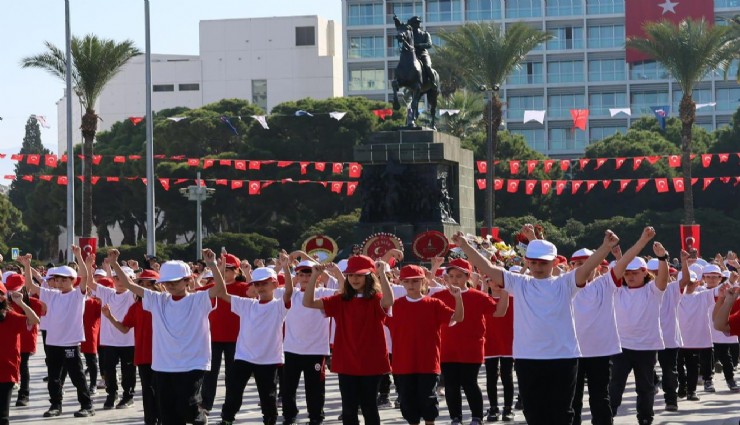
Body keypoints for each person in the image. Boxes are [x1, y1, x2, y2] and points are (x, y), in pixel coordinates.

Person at [453, 225, 618, 425]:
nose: (538, 268)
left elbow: (586, 268)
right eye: (533, 263)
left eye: (543, 263)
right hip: (528, 358)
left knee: (562, 414)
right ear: (526, 262)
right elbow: (487, 267)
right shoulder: (519, 283)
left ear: (555, 262)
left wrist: (605, 247)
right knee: (534, 414)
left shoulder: (565, 283)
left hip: (562, 358)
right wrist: (465, 246)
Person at [109, 248, 225, 425]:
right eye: (167, 282)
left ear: (188, 280)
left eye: (175, 281)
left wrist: (212, 265)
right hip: (164, 365)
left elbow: (220, 288)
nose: (170, 285)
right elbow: (131, 285)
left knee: (187, 406)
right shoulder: (158, 300)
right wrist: (115, 264)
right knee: (168, 413)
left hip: (192, 363)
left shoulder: (198, 299)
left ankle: (199, 416)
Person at [571, 227, 657, 425]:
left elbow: (626, 262)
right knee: (573, 399)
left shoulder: (605, 284)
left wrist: (642, 241)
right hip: (572, 351)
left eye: (587, 263)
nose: (582, 267)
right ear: (571, 266)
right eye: (577, 264)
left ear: (595, 266)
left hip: (599, 352)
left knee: (600, 398)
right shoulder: (564, 284)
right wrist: (534, 239)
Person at [303, 255, 394, 425]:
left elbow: (389, 301)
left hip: (371, 362)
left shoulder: (375, 299)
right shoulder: (340, 300)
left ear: (369, 276)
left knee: (369, 407)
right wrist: (314, 277)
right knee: (349, 409)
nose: (354, 279)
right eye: (351, 275)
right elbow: (308, 302)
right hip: (347, 362)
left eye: (359, 275)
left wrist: (382, 273)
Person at [217, 252, 293, 425]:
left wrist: (286, 267)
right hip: (243, 357)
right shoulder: (246, 304)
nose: (260, 287)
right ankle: (227, 419)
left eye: (264, 283)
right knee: (233, 393)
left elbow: (288, 291)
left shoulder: (279, 306)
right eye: (257, 284)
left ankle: (270, 420)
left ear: (274, 284)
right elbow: (221, 293)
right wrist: (218, 268)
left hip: (268, 359)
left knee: (268, 396)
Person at [431, 258, 508, 425]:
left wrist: (506, 292)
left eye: (459, 276)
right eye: (451, 276)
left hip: (471, 349)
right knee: (451, 386)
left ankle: (477, 417)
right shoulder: (439, 296)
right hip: (447, 349)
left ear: (467, 277)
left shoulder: (478, 296)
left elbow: (499, 312)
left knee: (469, 383)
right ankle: (456, 418)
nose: (454, 279)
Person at [20, 249, 95, 418]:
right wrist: (26, 266)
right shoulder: (51, 294)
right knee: (54, 377)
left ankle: (87, 405)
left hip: (70, 343)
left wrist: (79, 257)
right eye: (57, 280)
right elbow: (30, 286)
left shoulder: (78, 294)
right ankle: (55, 405)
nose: (60, 283)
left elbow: (84, 277)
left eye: (64, 280)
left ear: (72, 281)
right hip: (53, 342)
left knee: (77, 376)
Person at [385, 264, 464, 425]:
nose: (411, 285)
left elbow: (458, 318)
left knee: (428, 402)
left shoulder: (434, 303)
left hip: (428, 363)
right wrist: (381, 272)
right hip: (403, 364)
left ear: (424, 282)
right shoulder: (396, 306)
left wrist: (458, 298)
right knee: (408, 404)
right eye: (407, 281)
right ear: (402, 283)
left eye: (415, 281)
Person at [609, 234, 669, 425]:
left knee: (645, 387)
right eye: (627, 273)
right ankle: (607, 415)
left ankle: (644, 418)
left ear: (644, 272)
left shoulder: (652, 290)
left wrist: (662, 259)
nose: (630, 276)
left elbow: (663, 279)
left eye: (635, 272)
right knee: (615, 385)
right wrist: (619, 259)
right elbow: (618, 271)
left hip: (646, 347)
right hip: (621, 347)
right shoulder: (618, 290)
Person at [77, 249, 138, 410]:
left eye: (123, 278)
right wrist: (89, 265)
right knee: (108, 370)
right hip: (109, 341)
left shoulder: (133, 295)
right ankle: (112, 394)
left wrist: (114, 263)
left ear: (131, 279)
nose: (119, 281)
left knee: (128, 371)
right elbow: (90, 283)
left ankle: (128, 396)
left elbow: (131, 285)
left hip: (129, 341)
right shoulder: (108, 292)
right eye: (116, 278)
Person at [101, 269, 162, 425]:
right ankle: (150, 421)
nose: (147, 288)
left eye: (151, 284)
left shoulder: (166, 303)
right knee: (148, 392)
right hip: (143, 356)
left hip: (164, 356)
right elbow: (124, 328)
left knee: (163, 392)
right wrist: (110, 317)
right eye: (143, 284)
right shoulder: (135, 308)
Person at [281, 259, 336, 425]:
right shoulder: (290, 294)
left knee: (315, 388)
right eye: (301, 273)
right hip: (291, 350)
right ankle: (289, 416)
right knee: (288, 387)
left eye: (309, 273)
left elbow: (344, 290)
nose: (305, 277)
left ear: (318, 276)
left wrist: (329, 271)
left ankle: (315, 417)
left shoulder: (324, 294)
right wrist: (284, 267)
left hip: (316, 351)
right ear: (296, 276)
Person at [198, 253, 251, 414]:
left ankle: (230, 405)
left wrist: (248, 273)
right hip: (212, 337)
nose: (224, 272)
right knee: (210, 373)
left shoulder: (242, 287)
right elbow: (193, 290)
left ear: (237, 271)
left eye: (228, 269)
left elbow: (256, 291)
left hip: (235, 338)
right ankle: (206, 404)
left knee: (232, 375)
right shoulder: (213, 287)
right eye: (223, 268)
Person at [0, 280, 41, 425]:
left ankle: (24, 394)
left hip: (6, 371)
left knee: (2, 416)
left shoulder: (11, 317)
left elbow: (34, 320)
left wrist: (21, 303)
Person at [392, 14, 436, 88]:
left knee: (428, 66)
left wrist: (419, 45)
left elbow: (429, 44)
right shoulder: (409, 33)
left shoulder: (425, 34)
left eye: (418, 22)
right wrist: (396, 20)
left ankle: (433, 82)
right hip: (411, 55)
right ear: (412, 24)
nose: (418, 24)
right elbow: (400, 27)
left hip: (422, 54)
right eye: (415, 22)